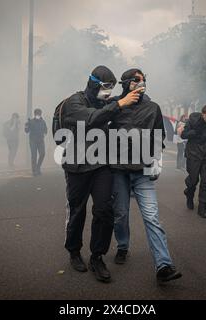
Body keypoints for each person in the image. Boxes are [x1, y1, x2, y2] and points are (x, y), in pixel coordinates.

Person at [57, 65, 139, 283]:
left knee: (104, 210)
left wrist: (134, 86)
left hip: (101, 165)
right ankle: (74, 251)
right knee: (77, 210)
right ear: (93, 83)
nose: (108, 91)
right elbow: (91, 118)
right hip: (77, 167)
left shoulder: (107, 103)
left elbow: (122, 103)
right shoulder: (75, 102)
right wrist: (118, 104)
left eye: (112, 87)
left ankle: (97, 256)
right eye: (105, 86)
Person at [110, 68, 182, 283]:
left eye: (144, 80)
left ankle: (164, 265)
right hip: (118, 171)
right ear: (125, 83)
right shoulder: (114, 106)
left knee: (151, 216)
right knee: (121, 214)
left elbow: (158, 136)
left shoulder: (152, 108)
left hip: (142, 171)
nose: (141, 83)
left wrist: (156, 161)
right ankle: (122, 246)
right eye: (136, 80)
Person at [181, 104, 206, 219]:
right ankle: (189, 193)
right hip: (193, 155)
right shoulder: (193, 120)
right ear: (203, 113)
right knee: (193, 180)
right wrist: (195, 131)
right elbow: (184, 135)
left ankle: (202, 208)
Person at [25, 109, 47, 176]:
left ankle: (38, 167)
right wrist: (27, 125)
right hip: (33, 141)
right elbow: (26, 131)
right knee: (34, 156)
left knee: (42, 154)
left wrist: (44, 133)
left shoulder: (43, 121)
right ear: (34, 114)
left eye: (39, 114)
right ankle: (34, 171)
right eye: (37, 114)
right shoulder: (31, 122)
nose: (38, 115)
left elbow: (46, 130)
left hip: (40, 140)